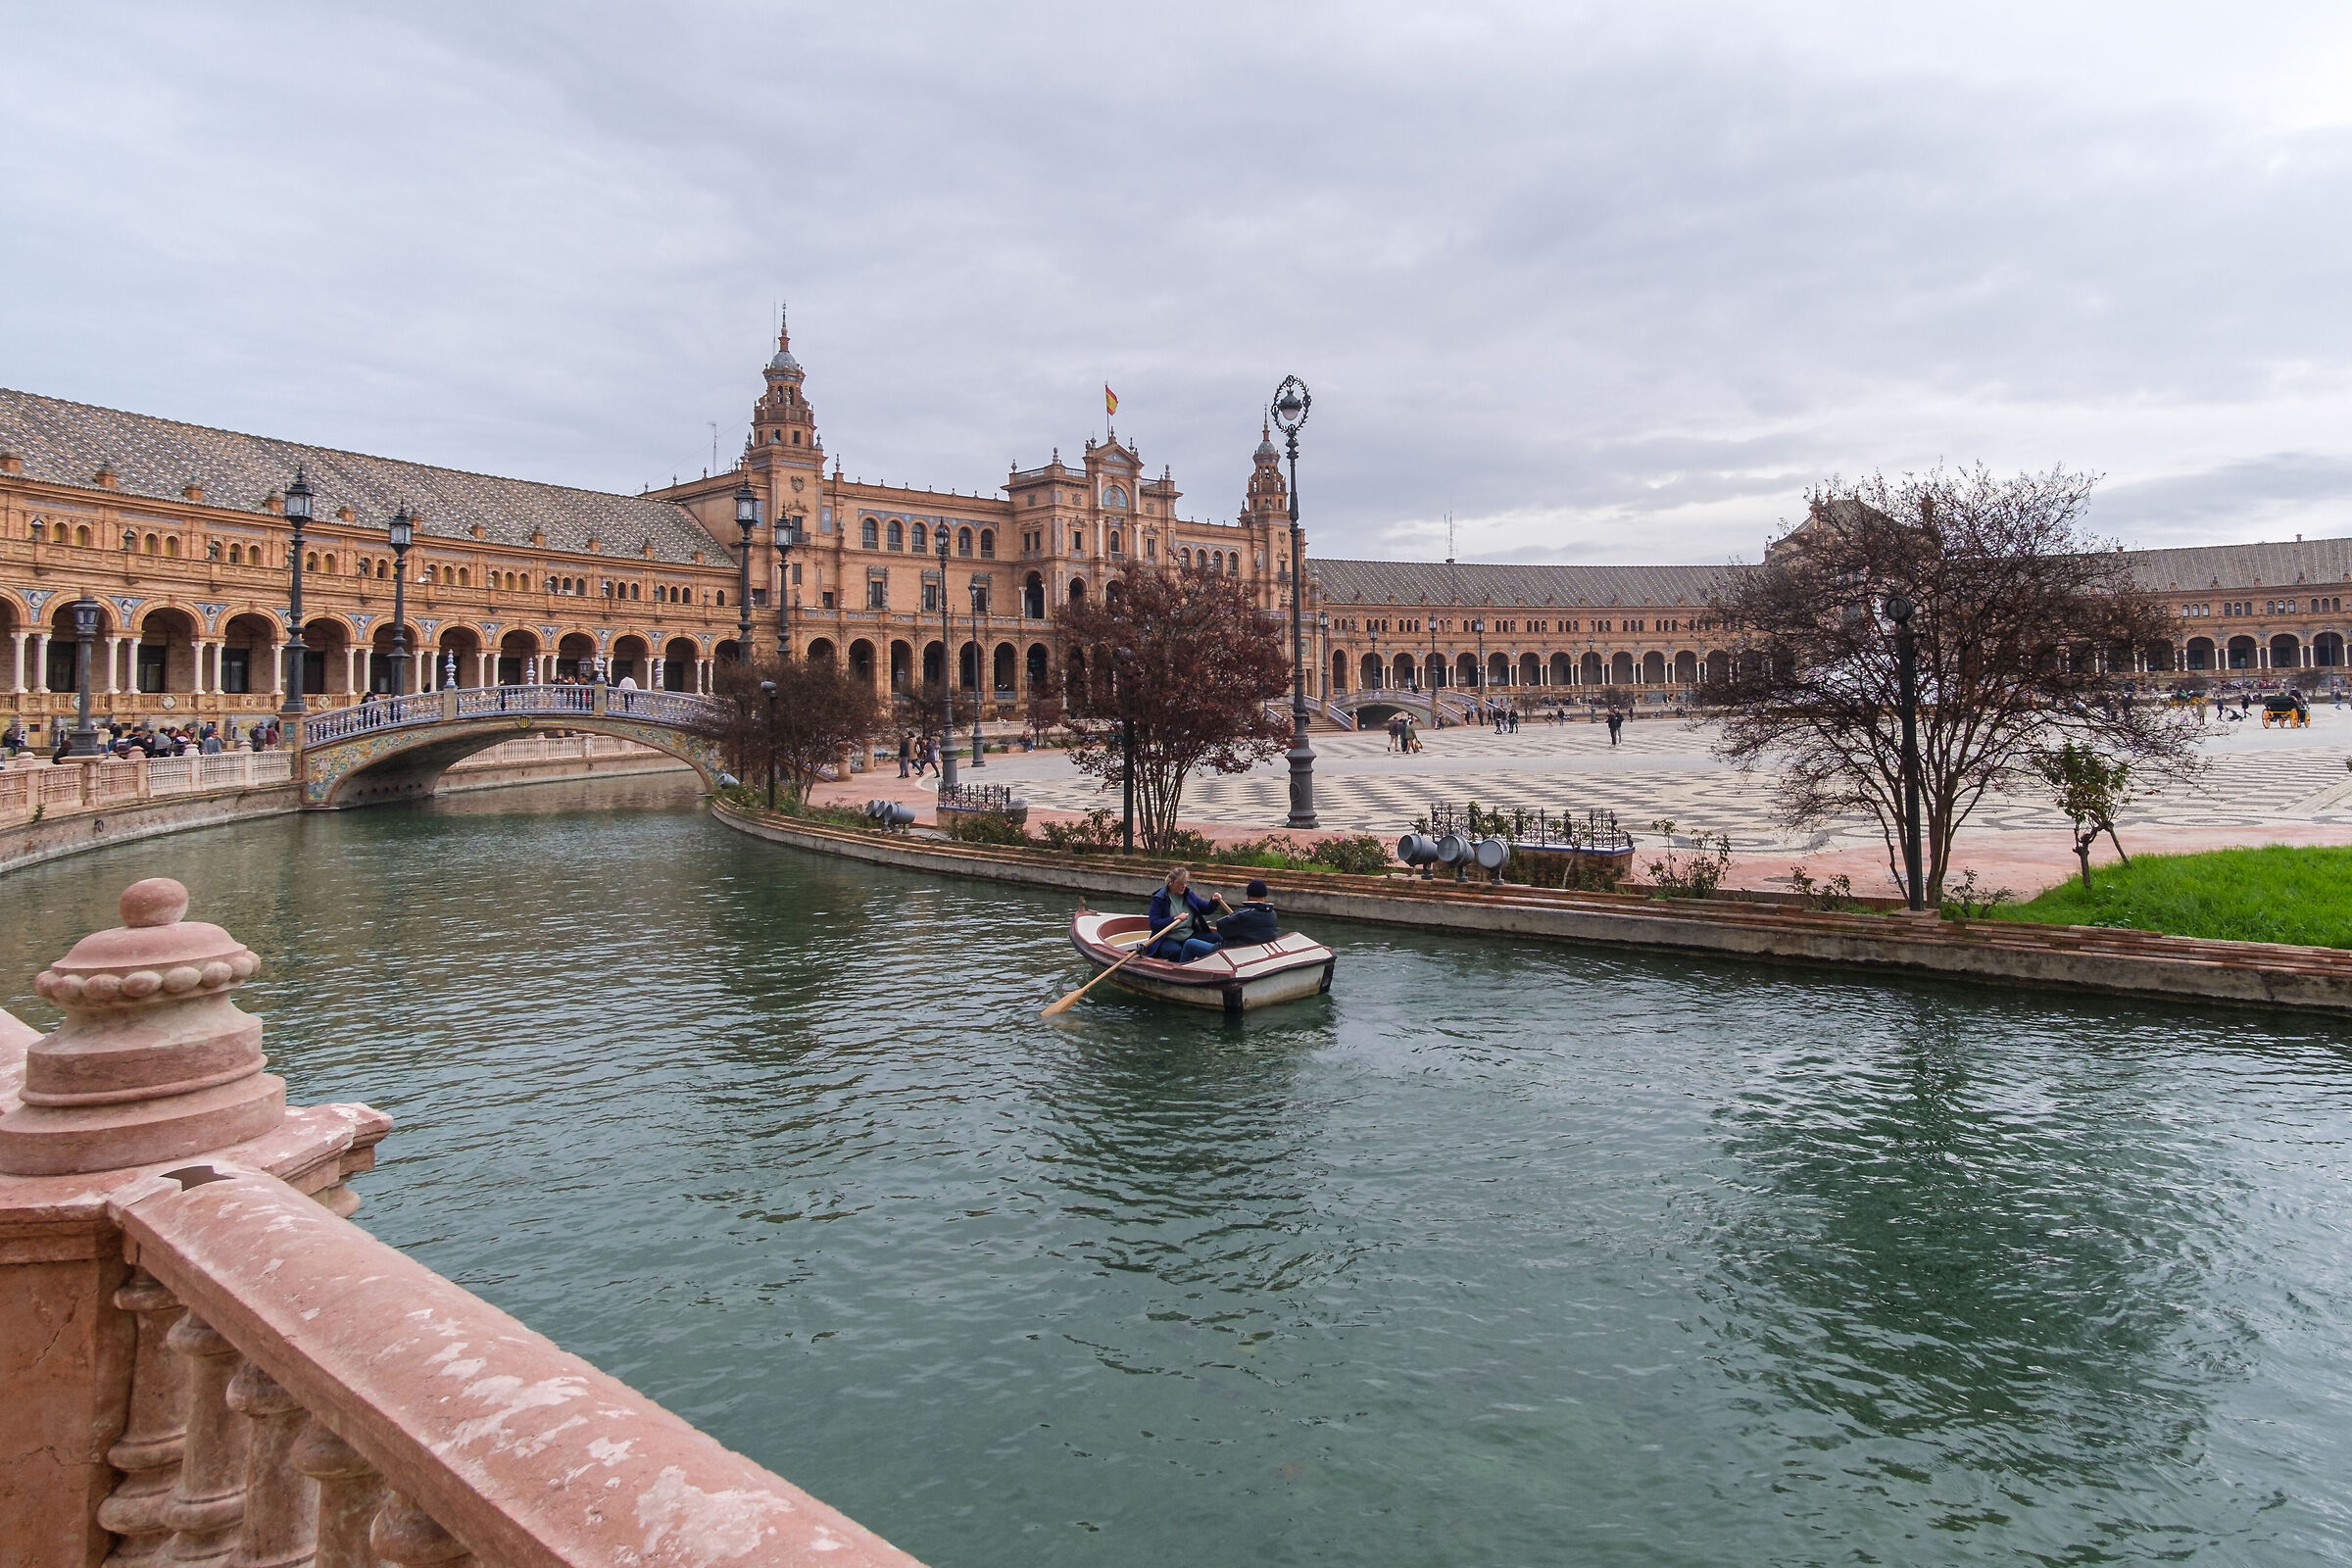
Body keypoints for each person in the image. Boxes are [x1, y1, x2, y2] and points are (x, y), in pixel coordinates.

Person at [1146, 866, 1226, 961]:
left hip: (1189, 935)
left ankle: (1214, 962)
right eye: (1180, 883)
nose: (1183, 886)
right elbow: (1154, 924)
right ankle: (1184, 968)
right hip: (1167, 939)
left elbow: (1206, 909)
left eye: (1185, 883)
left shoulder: (1188, 894)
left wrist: (1214, 901)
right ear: (1171, 883)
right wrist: (1175, 919)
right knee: (1176, 952)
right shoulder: (1160, 899)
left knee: (1218, 938)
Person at [1212, 879, 1280, 950]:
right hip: (1256, 949)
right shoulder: (1272, 914)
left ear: (1248, 896)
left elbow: (1220, 926)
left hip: (1228, 951)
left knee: (1200, 943)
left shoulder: (1244, 914)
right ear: (1265, 896)